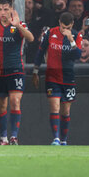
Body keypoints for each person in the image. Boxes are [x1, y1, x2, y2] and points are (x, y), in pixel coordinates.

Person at [33, 12, 82, 146]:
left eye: (67, 26)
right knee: (54, 106)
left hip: (68, 77)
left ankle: (64, 139)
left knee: (65, 111)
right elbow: (41, 51)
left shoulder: (77, 35)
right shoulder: (50, 33)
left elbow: (77, 55)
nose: (64, 28)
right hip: (52, 76)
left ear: (72, 24)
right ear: (59, 22)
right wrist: (35, 71)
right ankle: (56, 138)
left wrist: (71, 40)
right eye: (62, 25)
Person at [0, 0, 34, 145]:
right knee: (1, 105)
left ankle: (14, 137)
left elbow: (31, 38)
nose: (3, 12)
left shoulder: (18, 24)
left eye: (6, 9)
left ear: (11, 10)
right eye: (0, 9)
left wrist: (18, 26)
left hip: (15, 68)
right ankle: (3, 137)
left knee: (15, 101)